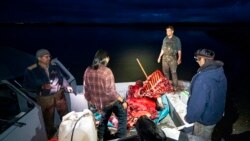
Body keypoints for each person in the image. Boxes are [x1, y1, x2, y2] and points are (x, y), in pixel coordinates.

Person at [23, 49, 73, 139]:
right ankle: (51, 137)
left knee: (65, 114)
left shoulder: (54, 66)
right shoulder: (31, 70)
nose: (49, 58)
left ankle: (69, 131)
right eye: (46, 57)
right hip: (45, 99)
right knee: (48, 120)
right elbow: (27, 86)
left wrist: (67, 86)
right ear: (39, 58)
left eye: (49, 56)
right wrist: (41, 86)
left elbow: (61, 78)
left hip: (59, 95)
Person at [83, 49, 127, 141]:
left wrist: (90, 100)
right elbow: (111, 92)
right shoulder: (107, 71)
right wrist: (122, 100)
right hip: (109, 102)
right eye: (108, 57)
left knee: (104, 119)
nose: (109, 59)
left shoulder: (88, 70)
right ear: (104, 58)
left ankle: (102, 137)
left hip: (99, 103)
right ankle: (121, 137)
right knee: (122, 114)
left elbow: (86, 89)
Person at [185, 48, 227, 140]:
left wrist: (189, 118)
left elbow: (198, 104)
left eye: (197, 59)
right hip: (216, 114)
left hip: (204, 119)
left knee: (200, 137)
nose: (196, 61)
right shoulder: (219, 72)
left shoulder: (202, 79)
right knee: (208, 134)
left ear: (204, 59)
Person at [157, 25, 182, 91]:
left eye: (168, 31)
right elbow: (162, 49)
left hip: (173, 59)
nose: (167, 32)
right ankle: (167, 86)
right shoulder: (165, 39)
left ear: (172, 31)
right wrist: (159, 57)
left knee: (173, 73)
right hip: (164, 59)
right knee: (165, 74)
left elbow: (179, 50)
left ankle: (175, 87)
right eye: (166, 31)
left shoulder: (177, 39)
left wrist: (179, 58)